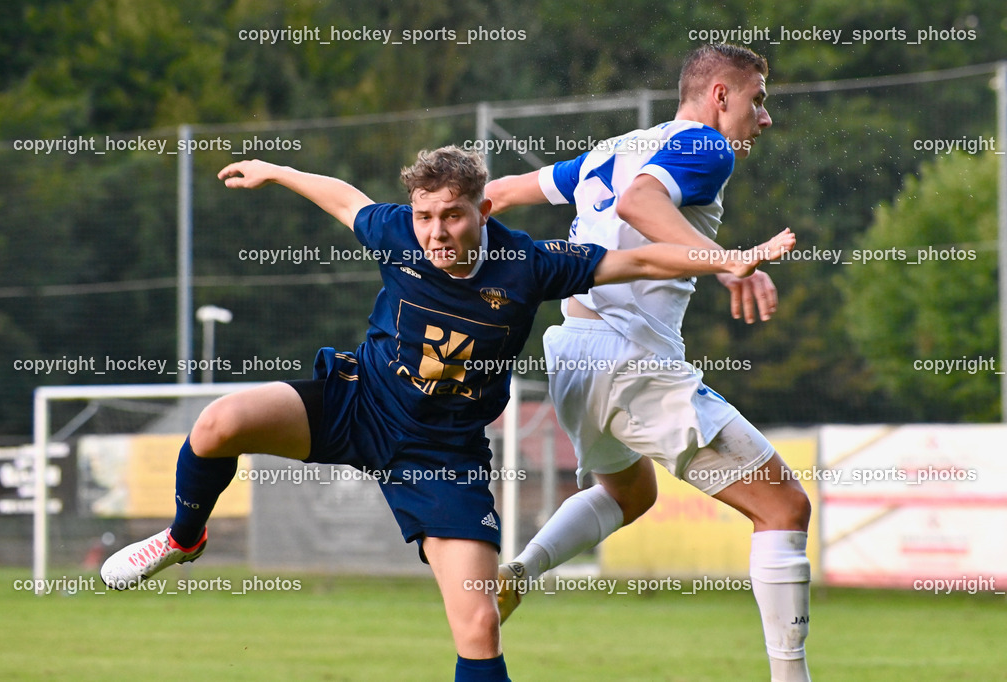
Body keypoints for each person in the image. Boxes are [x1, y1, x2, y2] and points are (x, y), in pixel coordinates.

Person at [99, 145, 793, 681]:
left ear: (483, 210)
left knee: (479, 624)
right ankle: (184, 539)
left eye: (451, 216)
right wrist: (277, 170)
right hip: (358, 402)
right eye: (425, 216)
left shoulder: (530, 264)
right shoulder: (398, 231)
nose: (434, 232)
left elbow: (637, 259)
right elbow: (345, 199)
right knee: (220, 423)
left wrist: (724, 260)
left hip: (443, 458)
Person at [485, 44, 812, 682]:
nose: (764, 118)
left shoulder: (615, 146)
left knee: (629, 491)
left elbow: (495, 193)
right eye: (759, 99)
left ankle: (519, 571)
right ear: (720, 95)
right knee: (785, 508)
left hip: (573, 354)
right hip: (632, 360)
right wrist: (728, 261)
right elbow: (640, 203)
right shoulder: (709, 146)